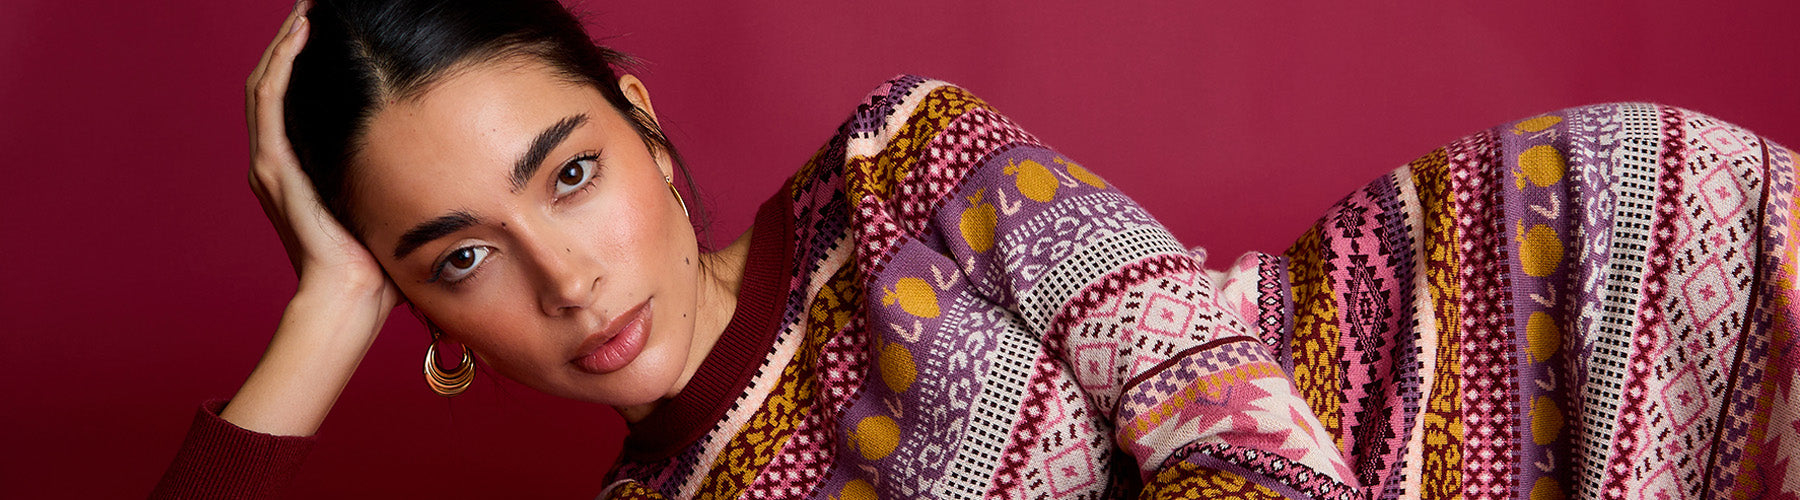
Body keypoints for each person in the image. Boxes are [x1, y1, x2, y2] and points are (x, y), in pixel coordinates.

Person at [155, 0, 1800, 498]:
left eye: (570, 173)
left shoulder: (900, 164)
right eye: (455, 260)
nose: (569, 280)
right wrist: (322, 303)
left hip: (1582, 276)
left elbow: (1217, 412)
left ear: (646, 136)